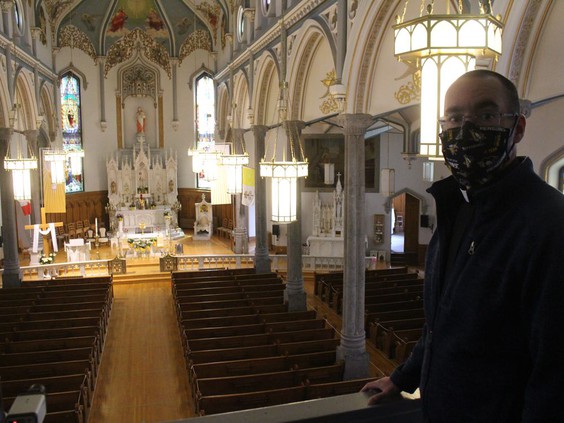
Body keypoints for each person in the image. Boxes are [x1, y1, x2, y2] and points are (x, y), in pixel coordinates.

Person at [362, 70, 564, 422]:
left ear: (517, 128)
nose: (465, 131)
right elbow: (442, 325)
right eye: (454, 118)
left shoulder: (550, 222)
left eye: (485, 115)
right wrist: (402, 376)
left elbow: (555, 370)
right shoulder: (458, 209)